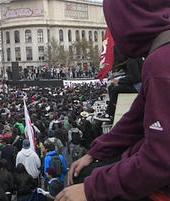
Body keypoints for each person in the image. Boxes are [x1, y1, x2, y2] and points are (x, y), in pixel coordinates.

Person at [57, 1, 170, 201]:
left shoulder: (160, 64)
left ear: (128, 21)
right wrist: (97, 151)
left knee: (81, 180)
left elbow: (161, 160)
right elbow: (136, 117)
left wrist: (91, 190)